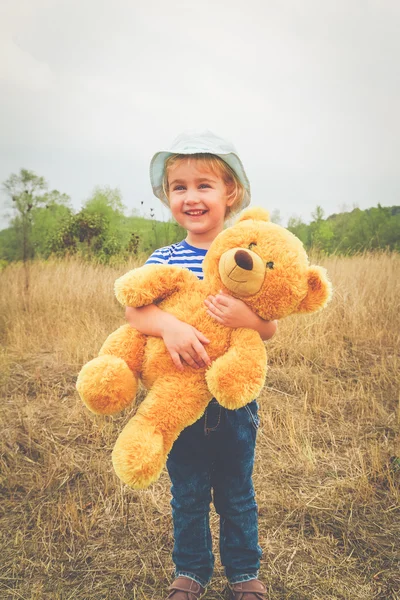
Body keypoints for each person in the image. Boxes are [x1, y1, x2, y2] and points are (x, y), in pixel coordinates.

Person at [126, 131, 277, 600]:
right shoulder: (165, 257)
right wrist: (169, 326)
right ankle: (190, 572)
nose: (191, 197)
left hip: (233, 401)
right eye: (179, 187)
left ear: (230, 192)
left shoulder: (246, 257)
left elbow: (269, 327)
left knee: (236, 493)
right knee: (188, 494)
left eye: (204, 185)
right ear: (168, 196)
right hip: (177, 402)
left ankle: (243, 574)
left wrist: (246, 316)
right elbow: (134, 310)